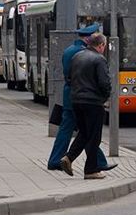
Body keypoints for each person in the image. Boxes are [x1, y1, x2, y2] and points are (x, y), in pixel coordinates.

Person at [48, 25, 114, 173]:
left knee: (75, 131)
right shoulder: (85, 53)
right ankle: (93, 164)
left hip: (73, 96)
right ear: (88, 38)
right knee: (89, 132)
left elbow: (69, 76)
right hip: (86, 98)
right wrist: (103, 97)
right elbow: (102, 82)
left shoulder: (70, 50)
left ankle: (58, 159)